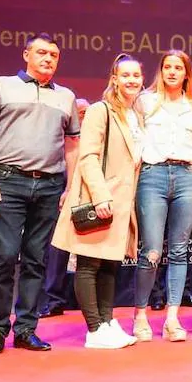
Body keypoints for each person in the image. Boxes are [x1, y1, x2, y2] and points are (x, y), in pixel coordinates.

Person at [0, 34, 80, 356]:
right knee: (4, 258)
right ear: (26, 55)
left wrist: (71, 187)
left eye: (54, 55)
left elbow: (73, 144)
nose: (48, 59)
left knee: (36, 260)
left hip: (49, 185)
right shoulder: (2, 85)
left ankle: (26, 329)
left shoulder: (66, 96)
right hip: (8, 181)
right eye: (42, 53)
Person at [51, 54, 144, 349]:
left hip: (123, 203)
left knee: (109, 266)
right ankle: (94, 329)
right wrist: (101, 195)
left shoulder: (136, 115)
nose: (132, 80)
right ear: (114, 78)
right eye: (125, 75)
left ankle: (106, 321)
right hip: (102, 198)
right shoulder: (100, 111)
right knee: (90, 264)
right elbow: (88, 157)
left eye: (137, 75)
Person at [131, 50, 192, 341]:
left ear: (186, 73)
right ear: (160, 71)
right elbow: (134, 138)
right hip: (153, 175)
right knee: (151, 251)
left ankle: (172, 319)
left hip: (186, 177)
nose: (172, 72)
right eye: (167, 67)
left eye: (178, 68)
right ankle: (140, 315)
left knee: (180, 250)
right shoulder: (145, 101)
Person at [40, 97, 90, 317]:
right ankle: (54, 300)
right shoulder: (61, 139)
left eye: (86, 112)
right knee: (57, 246)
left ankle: (91, 299)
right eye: (79, 113)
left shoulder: (98, 133)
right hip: (62, 189)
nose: (83, 117)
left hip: (91, 191)